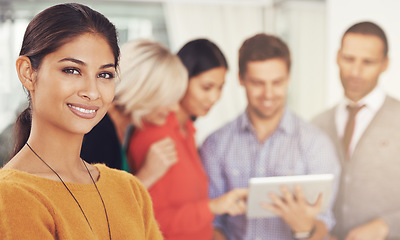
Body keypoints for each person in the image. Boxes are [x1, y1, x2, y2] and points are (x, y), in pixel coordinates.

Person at [0, 3, 162, 239]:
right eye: (72, 70)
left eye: (104, 75)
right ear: (28, 72)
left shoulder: (130, 189)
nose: (92, 92)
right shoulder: (12, 196)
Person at [199, 33, 340, 240]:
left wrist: (305, 229)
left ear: (289, 78)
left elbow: (323, 222)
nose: (268, 93)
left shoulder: (316, 145)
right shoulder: (216, 144)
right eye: (257, 83)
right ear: (241, 79)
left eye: (277, 82)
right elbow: (214, 222)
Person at [127, 39, 248, 240]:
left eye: (220, 88)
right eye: (207, 87)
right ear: (181, 80)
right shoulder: (155, 135)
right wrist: (214, 206)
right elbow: (154, 221)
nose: (214, 98)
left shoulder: (188, 131)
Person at [313, 21, 400, 240]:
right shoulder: (317, 125)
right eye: (348, 59)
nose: (355, 71)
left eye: (368, 62)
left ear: (385, 64)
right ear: (337, 57)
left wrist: (386, 226)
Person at [81, 39, 187, 187]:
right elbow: (99, 207)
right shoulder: (97, 132)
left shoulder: (124, 127)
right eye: (168, 99)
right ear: (144, 92)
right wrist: (148, 174)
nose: (175, 108)